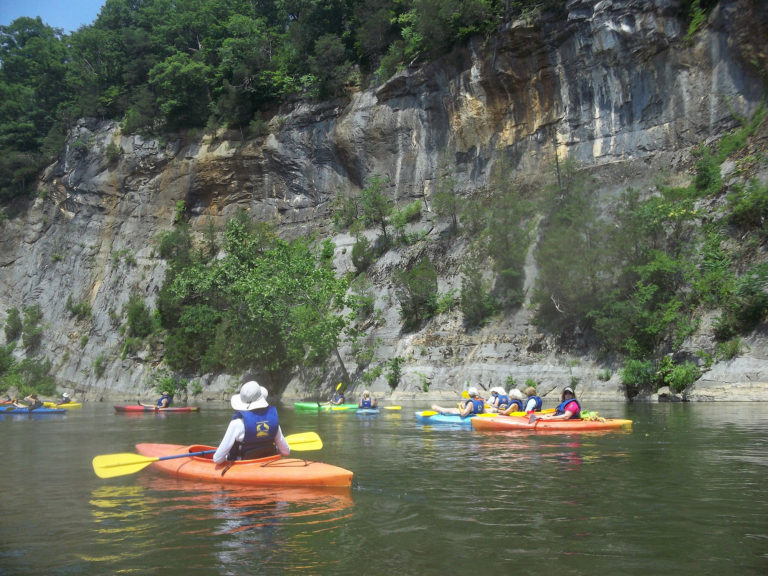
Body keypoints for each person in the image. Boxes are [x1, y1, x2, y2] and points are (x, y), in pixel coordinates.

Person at [213, 381, 290, 463]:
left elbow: (217, 459)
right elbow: (286, 452)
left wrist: (225, 457)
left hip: (244, 466)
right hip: (269, 464)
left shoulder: (237, 424)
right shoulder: (272, 420)